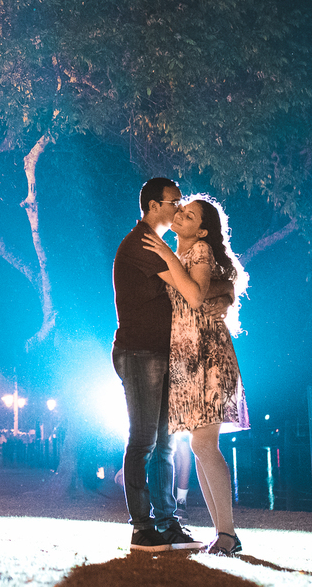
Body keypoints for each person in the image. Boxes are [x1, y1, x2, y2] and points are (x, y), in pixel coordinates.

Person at [112, 178, 231, 552]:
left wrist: (223, 288)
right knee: (144, 442)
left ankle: (167, 524)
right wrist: (221, 289)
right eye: (174, 202)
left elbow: (196, 285)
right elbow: (192, 292)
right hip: (141, 353)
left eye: (183, 205)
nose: (178, 208)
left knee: (165, 444)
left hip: (169, 355)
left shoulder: (170, 249)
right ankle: (142, 527)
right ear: (153, 206)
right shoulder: (146, 244)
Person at [144, 195, 249, 557]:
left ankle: (229, 535)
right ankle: (223, 533)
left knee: (204, 445)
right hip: (188, 358)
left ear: (202, 230)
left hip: (208, 355)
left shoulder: (200, 249)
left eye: (189, 215)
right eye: (182, 211)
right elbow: (214, 286)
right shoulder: (182, 254)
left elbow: (196, 294)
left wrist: (165, 252)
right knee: (199, 445)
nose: (181, 216)